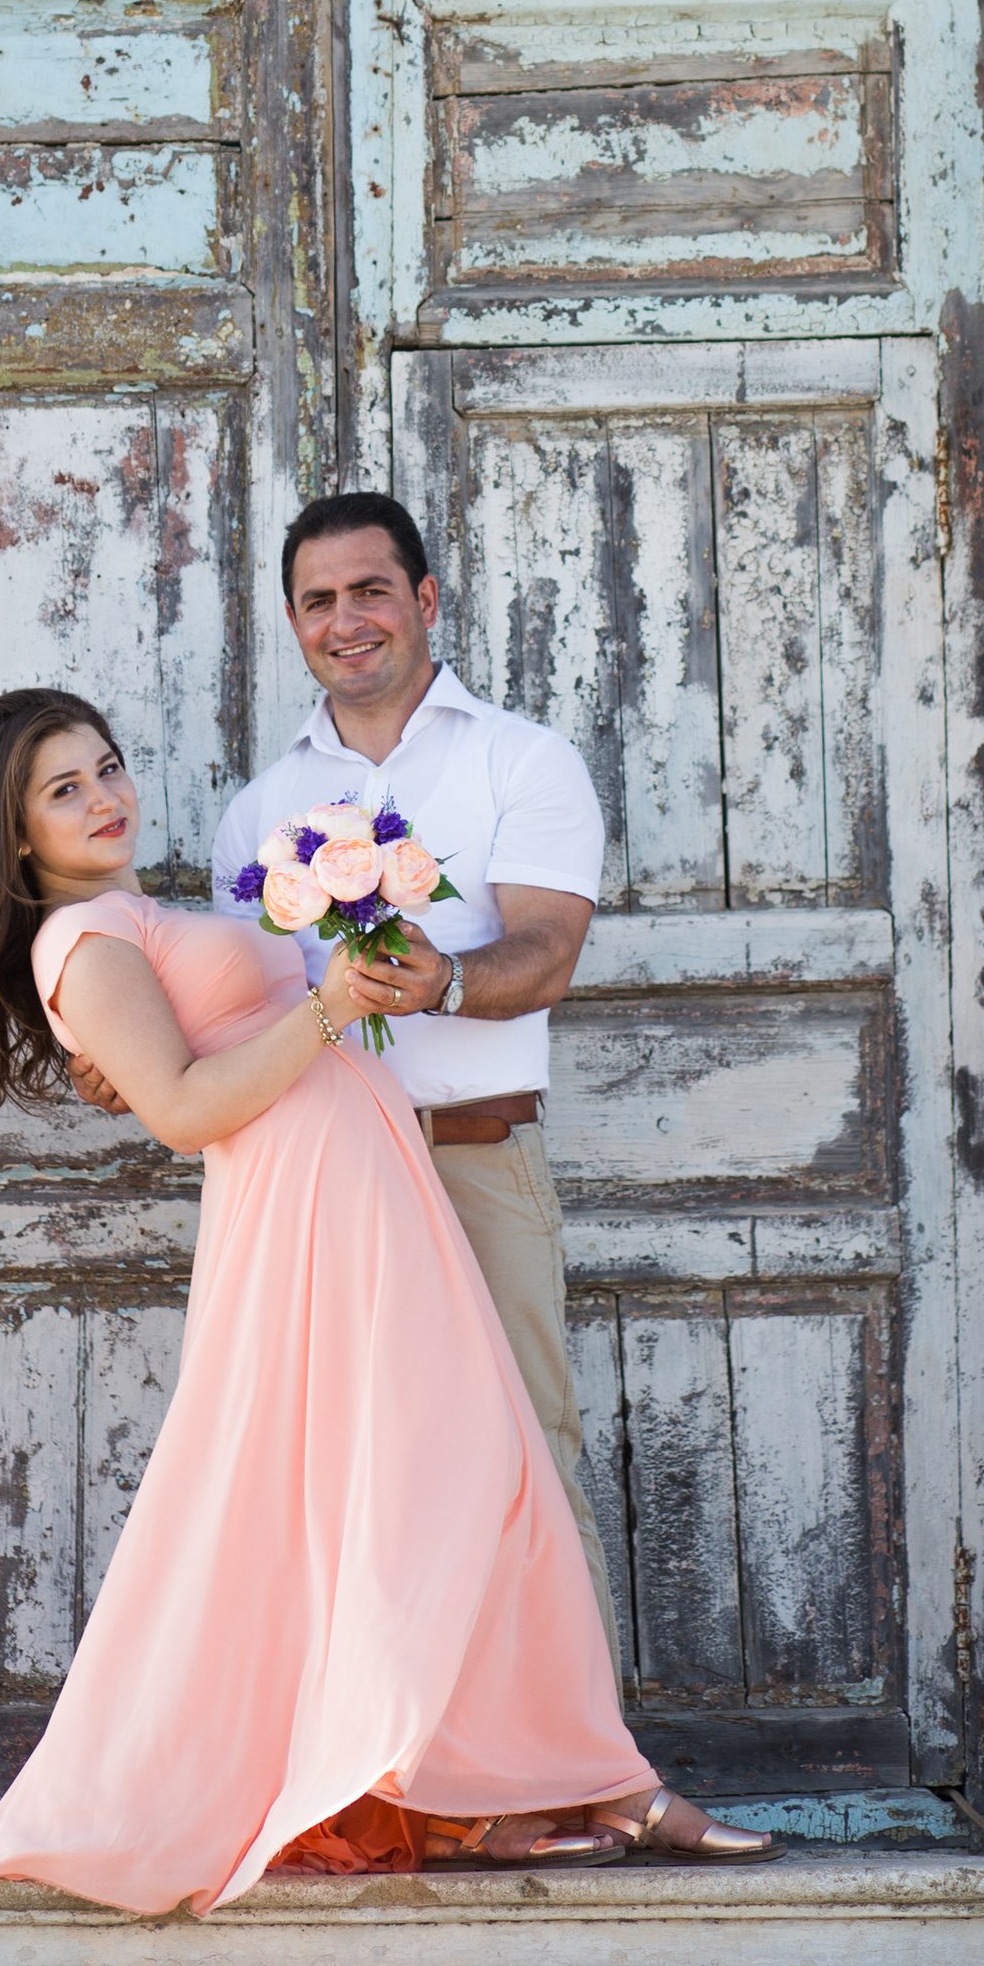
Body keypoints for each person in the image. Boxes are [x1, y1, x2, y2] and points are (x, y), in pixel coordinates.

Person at [0, 686, 770, 1913]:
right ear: (12, 833)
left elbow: (209, 1051)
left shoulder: (137, 912)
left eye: (107, 767)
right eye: (64, 789)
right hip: (309, 1205)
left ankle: (517, 1788)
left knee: (465, 1480)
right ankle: (539, 1785)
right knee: (437, 1481)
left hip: (367, 1184)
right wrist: (327, 1006)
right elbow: (185, 1112)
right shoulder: (85, 942)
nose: (105, 798)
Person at [207, 492, 621, 1673]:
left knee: (522, 1460)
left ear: (425, 600)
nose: (348, 620)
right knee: (349, 1478)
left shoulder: (520, 760)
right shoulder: (259, 810)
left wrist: (438, 982)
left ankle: (586, 1773)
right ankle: (402, 1778)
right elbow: (245, 1005)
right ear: (294, 622)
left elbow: (546, 952)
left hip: (472, 1159)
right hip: (324, 1187)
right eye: (319, 600)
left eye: (371, 590)